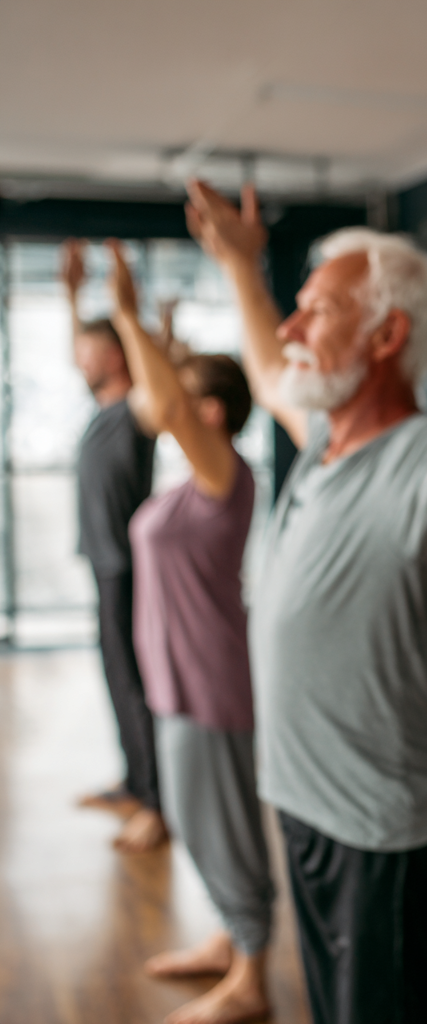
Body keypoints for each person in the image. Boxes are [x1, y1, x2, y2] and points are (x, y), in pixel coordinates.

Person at [184, 182, 427, 1024]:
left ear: (387, 335)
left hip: (380, 829)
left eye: (316, 311)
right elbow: (265, 361)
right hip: (307, 803)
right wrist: (245, 269)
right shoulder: (324, 437)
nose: (292, 329)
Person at [102, 240, 272, 1024]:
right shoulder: (192, 480)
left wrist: (128, 315)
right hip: (176, 680)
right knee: (201, 824)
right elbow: (164, 395)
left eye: (180, 389)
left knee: (225, 827)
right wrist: (161, 335)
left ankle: (251, 979)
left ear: (208, 413)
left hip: (207, 681)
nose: (157, 397)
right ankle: (226, 941)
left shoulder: (224, 476)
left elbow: (163, 401)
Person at [62, 240, 166, 853]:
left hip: (127, 569)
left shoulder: (137, 407)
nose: (76, 358)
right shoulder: (102, 405)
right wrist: (73, 296)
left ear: (112, 355)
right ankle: (133, 782)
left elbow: (160, 381)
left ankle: (156, 804)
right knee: (115, 679)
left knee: (133, 685)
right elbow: (80, 347)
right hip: (104, 564)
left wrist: (132, 310)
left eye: (84, 349)